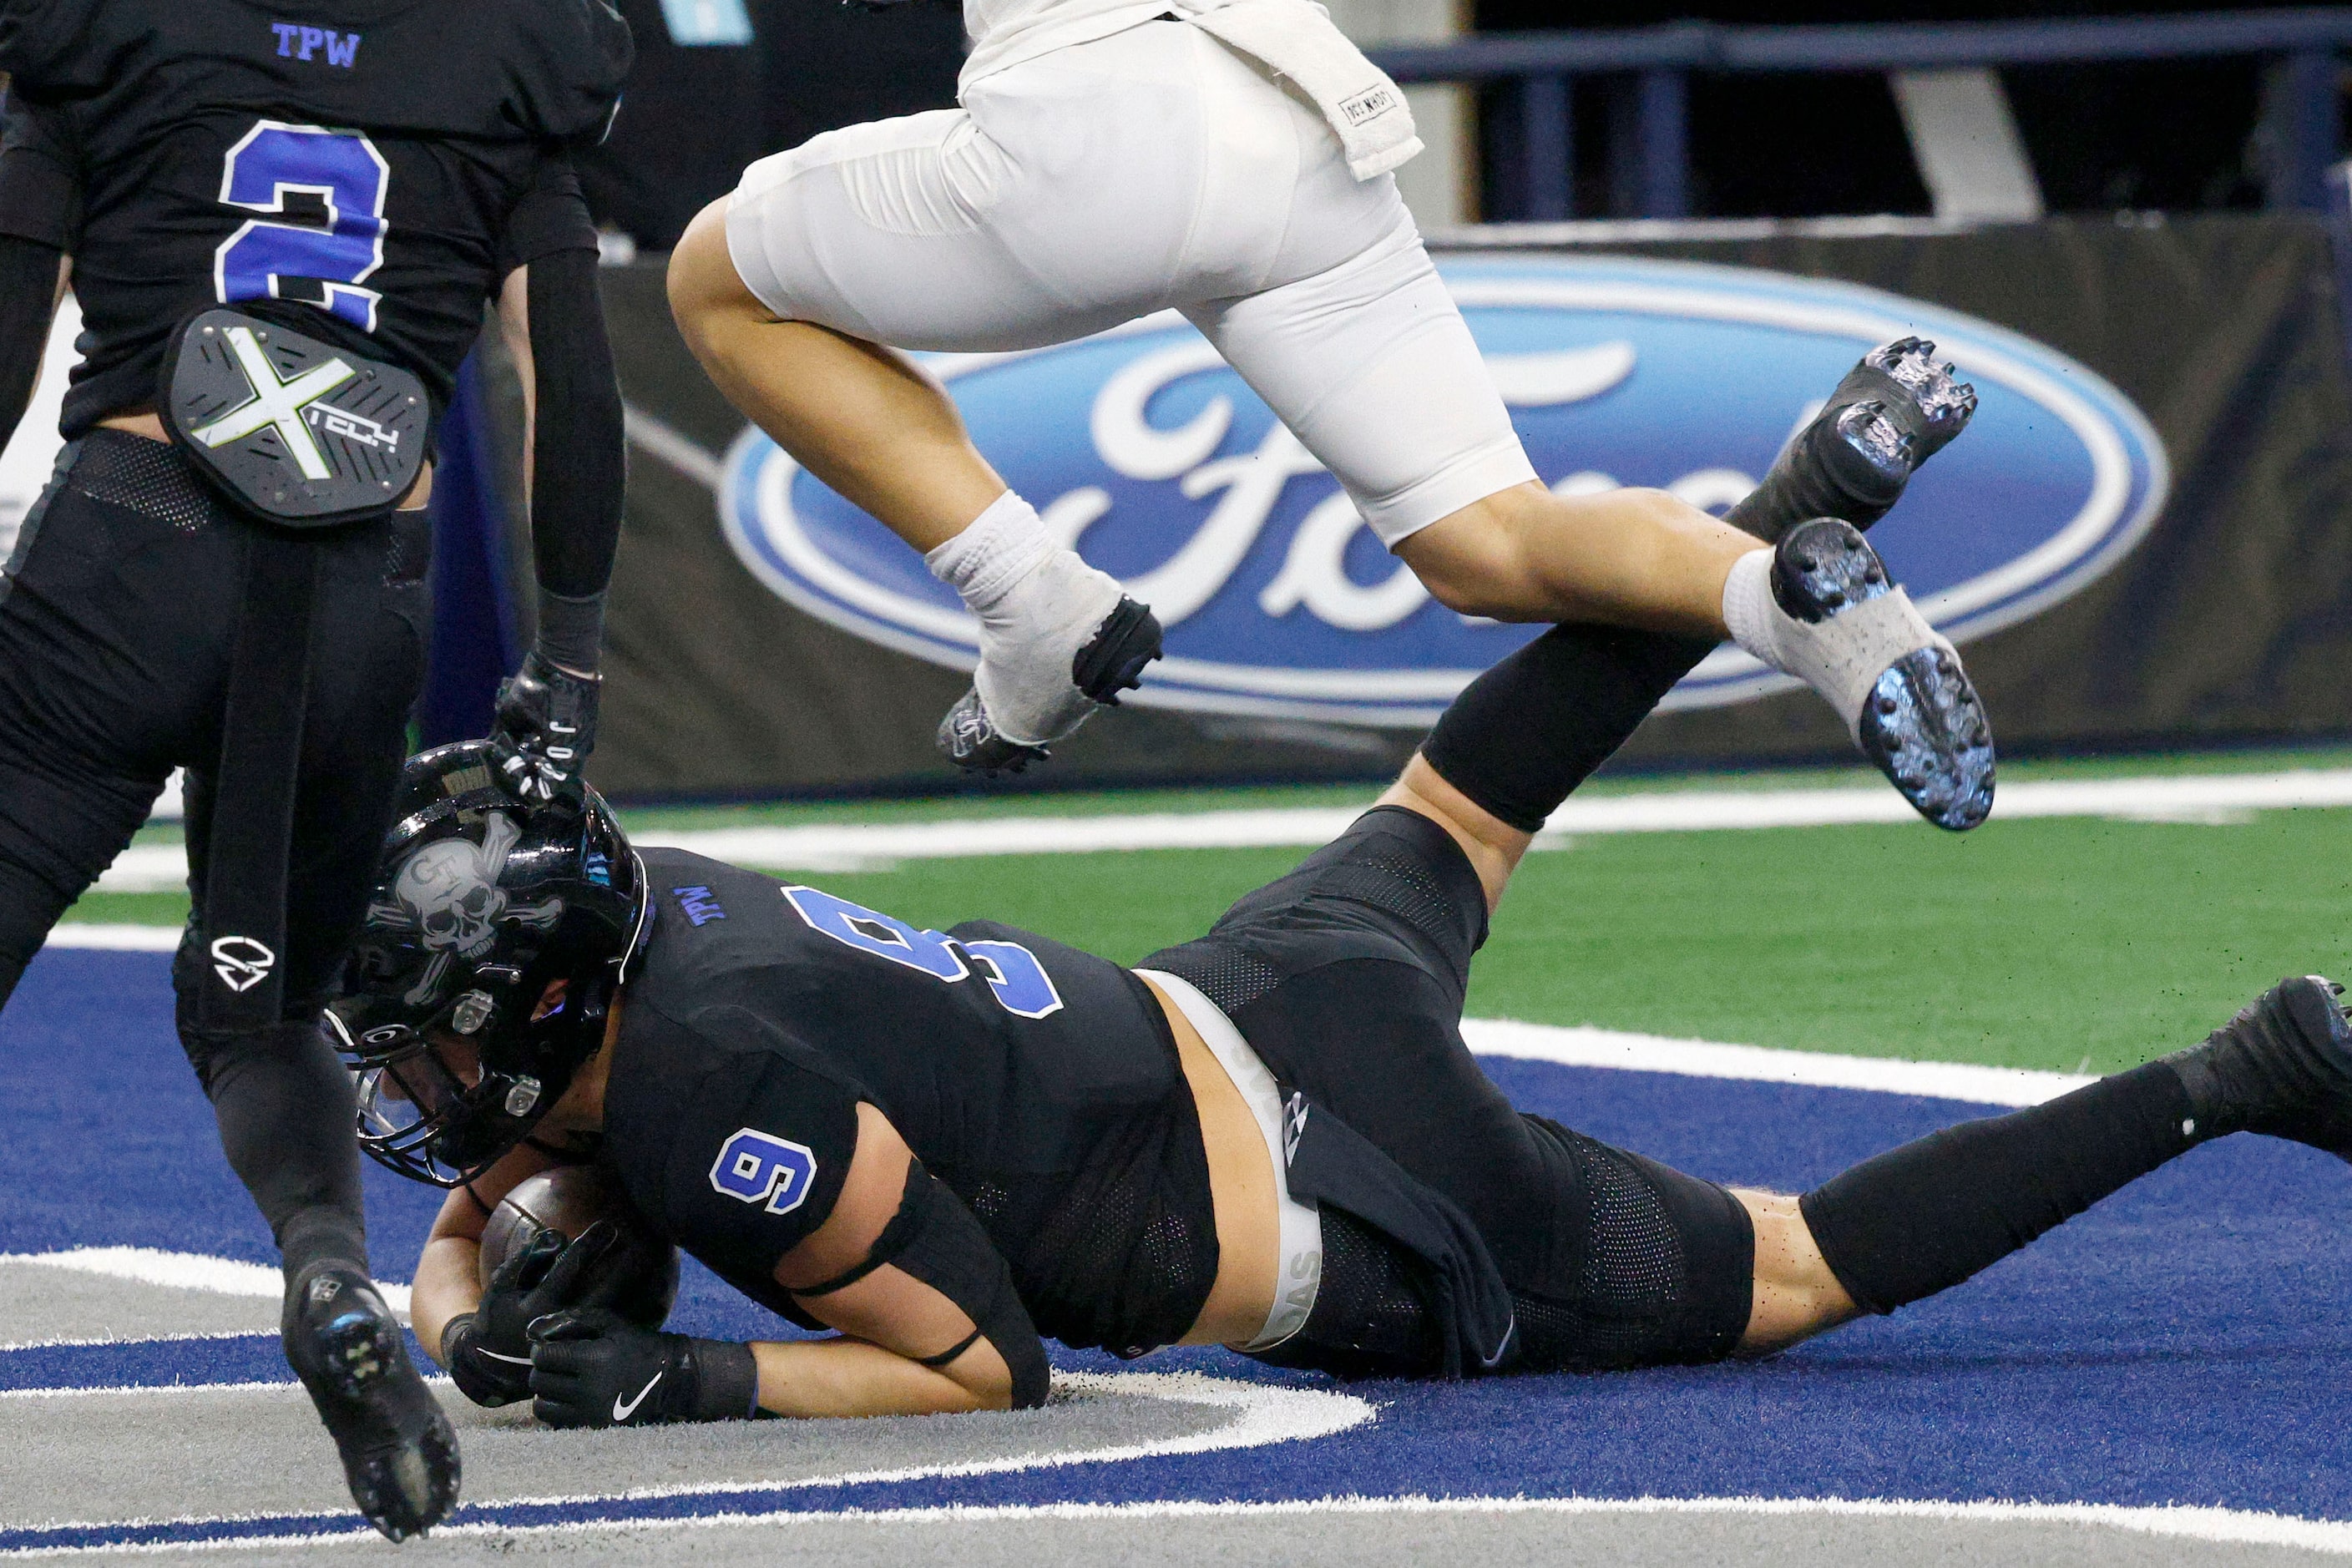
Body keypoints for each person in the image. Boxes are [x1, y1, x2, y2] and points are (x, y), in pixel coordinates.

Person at [335, 618, 2349, 1427]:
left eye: (428, 1037)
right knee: (1454, 808)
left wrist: (674, 1390)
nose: (416, 1080)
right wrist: (460, 1303)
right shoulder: (656, 934)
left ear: (524, 996)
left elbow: (976, 1362)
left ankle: (2244, 1072)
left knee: (1796, 1270)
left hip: (1344, 1193)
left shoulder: (697, 1093)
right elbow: (571, 1140)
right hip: (1245, 997)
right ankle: (1769, 531)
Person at [661, 0, 1992, 834]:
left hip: (1090, 114)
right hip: (1298, 119)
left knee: (717, 284)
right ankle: (1791, 604)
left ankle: (1026, 597)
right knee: (1491, 542)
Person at [0, 0, 634, 1538]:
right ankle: (325, 1266)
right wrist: (571, 654)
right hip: (359, 593)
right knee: (265, 1010)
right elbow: (568, 376)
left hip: (129, 545)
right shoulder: (514, 46)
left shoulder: (114, 23)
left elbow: (7, 310)